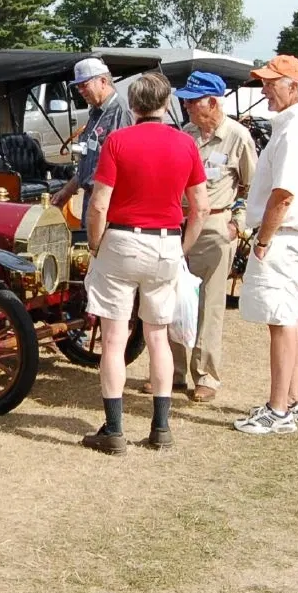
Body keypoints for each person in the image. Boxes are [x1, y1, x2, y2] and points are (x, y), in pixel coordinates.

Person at [81, 72, 210, 454]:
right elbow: (200, 207)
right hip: (166, 242)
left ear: (133, 105)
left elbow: (99, 204)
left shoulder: (118, 140)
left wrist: (95, 245)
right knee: (158, 337)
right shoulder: (185, 144)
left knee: (115, 338)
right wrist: (182, 248)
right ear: (166, 103)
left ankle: (115, 429)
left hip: (121, 239)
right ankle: (161, 427)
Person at [234, 55, 298, 436]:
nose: (264, 90)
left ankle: (278, 409)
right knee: (291, 318)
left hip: (284, 237)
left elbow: (283, 194)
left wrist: (263, 240)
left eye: (271, 83)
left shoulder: (294, 130)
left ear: (293, 86)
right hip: (295, 236)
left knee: (280, 321)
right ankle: (290, 399)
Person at [169, 71, 258, 403]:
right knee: (173, 299)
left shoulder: (238, 137)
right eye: (186, 100)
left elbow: (252, 187)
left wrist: (237, 224)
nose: (187, 106)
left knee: (209, 306)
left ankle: (206, 376)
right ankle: (174, 372)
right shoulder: (186, 134)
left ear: (213, 102)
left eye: (193, 101)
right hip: (178, 225)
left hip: (214, 229)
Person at [52, 58, 133, 225]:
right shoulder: (95, 113)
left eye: (84, 85)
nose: (80, 90)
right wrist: (67, 191)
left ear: (103, 81)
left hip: (108, 204)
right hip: (92, 200)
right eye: (78, 86)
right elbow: (88, 161)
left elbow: (123, 164)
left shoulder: (119, 111)